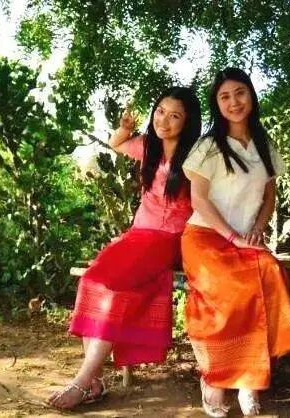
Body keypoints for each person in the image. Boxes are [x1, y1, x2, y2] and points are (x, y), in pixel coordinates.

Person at [47, 86, 202, 409]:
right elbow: (116, 144)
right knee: (92, 280)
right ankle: (94, 381)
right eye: (160, 111)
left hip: (169, 239)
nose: (164, 121)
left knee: (116, 287)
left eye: (174, 116)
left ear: (187, 123)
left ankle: (82, 381)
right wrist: (124, 129)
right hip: (137, 235)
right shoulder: (148, 146)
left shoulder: (196, 156)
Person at [181, 68, 290, 417]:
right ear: (217, 104)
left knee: (270, 272)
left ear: (251, 96)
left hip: (243, 240)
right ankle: (215, 379)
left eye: (240, 93)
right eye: (225, 96)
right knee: (233, 290)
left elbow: (269, 197)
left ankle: (249, 380)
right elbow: (198, 200)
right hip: (205, 238)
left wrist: (258, 229)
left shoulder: (265, 145)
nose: (234, 102)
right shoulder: (208, 146)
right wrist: (233, 237)